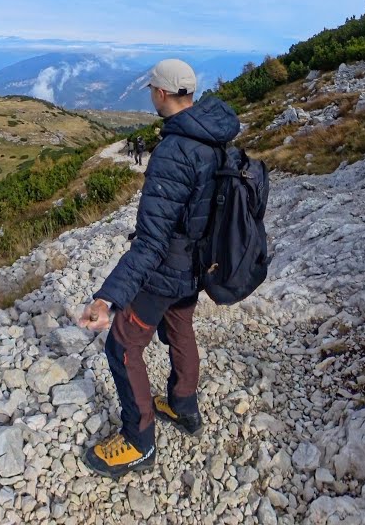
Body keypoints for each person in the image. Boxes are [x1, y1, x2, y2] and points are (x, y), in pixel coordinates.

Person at [76, 58, 241, 478]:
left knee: (123, 345)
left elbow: (151, 241)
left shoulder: (173, 151)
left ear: (162, 94)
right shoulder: (215, 136)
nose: (150, 94)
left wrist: (107, 297)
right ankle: (184, 408)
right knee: (180, 328)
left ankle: (138, 441)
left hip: (168, 269)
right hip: (198, 265)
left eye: (152, 89)